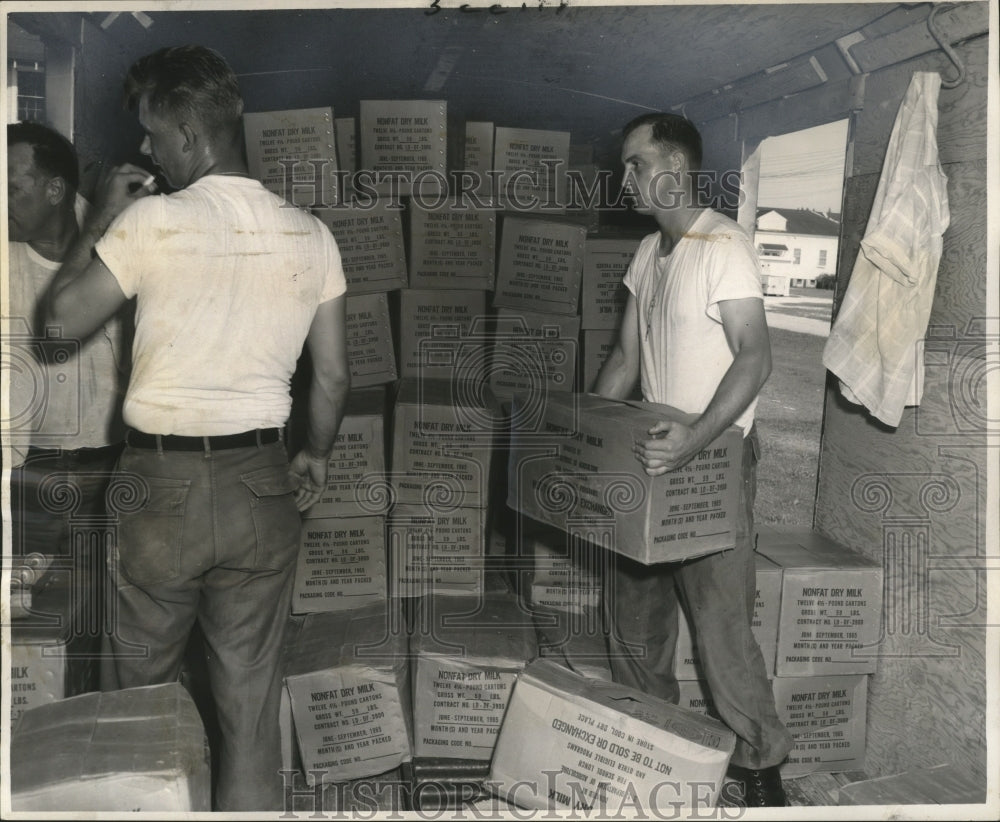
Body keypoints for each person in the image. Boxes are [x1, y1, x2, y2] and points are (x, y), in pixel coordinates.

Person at [45, 45, 350, 812]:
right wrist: (313, 454)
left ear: (185, 131)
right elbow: (337, 378)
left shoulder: (152, 220)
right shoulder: (311, 235)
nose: (146, 151)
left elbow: (57, 324)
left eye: (151, 135)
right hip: (262, 483)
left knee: (138, 704)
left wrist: (105, 216)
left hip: (158, 490)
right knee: (248, 707)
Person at [592, 112, 793, 806]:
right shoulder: (649, 253)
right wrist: (586, 442)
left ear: (674, 168)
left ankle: (762, 773)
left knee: (721, 630)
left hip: (709, 462)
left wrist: (695, 439)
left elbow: (755, 357)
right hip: (648, 458)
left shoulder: (724, 245)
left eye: (635, 163)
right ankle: (659, 747)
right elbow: (624, 358)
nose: (626, 178)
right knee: (635, 622)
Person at [6, 122, 127, 568]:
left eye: (12, 189)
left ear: (55, 190)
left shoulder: (120, 242)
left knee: (107, 609)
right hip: (28, 477)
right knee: (32, 615)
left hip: (114, 469)